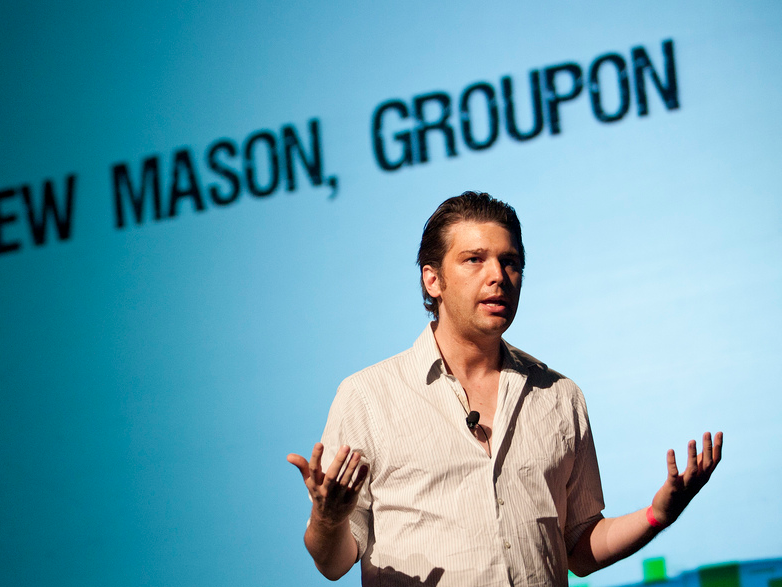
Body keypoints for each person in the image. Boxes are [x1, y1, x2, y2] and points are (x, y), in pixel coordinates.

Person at [287, 191, 722, 586]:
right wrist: (328, 520)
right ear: (432, 280)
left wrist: (656, 516)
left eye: (510, 262)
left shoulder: (559, 395)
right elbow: (333, 563)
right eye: (474, 259)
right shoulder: (368, 396)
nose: (498, 275)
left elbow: (579, 547)